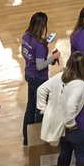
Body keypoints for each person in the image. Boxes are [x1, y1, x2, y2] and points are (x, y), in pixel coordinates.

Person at [36, 51, 84, 166]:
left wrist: (45, 110)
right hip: (77, 128)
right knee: (82, 158)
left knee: (64, 155)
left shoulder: (59, 77)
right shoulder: (81, 84)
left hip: (60, 127)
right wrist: (71, 124)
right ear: (83, 67)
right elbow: (71, 106)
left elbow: (41, 90)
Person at [20, 12, 59, 145]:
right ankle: (38, 138)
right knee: (41, 109)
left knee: (30, 107)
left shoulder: (26, 36)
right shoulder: (39, 45)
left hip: (29, 74)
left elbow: (25, 53)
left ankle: (27, 138)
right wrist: (53, 58)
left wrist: (45, 42)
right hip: (39, 79)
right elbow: (41, 65)